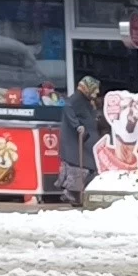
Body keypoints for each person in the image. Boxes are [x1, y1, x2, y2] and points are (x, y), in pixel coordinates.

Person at [57, 76, 104, 208]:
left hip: (85, 142)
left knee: (88, 168)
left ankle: (78, 195)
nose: (96, 93)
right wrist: (77, 126)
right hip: (79, 143)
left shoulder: (84, 100)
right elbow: (68, 109)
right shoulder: (76, 100)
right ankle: (73, 195)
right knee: (81, 167)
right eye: (94, 90)